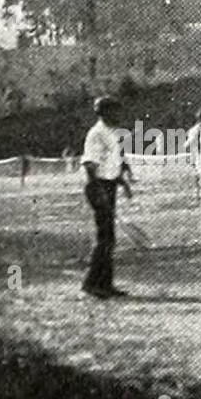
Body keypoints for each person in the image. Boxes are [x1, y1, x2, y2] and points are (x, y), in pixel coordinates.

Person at [81, 96, 134, 298]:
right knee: (105, 237)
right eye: (114, 111)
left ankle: (105, 283)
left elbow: (112, 164)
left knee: (109, 238)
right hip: (98, 187)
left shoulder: (111, 133)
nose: (119, 114)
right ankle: (92, 283)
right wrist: (99, 192)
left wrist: (123, 182)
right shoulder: (96, 134)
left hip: (108, 185)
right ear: (104, 112)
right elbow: (90, 166)